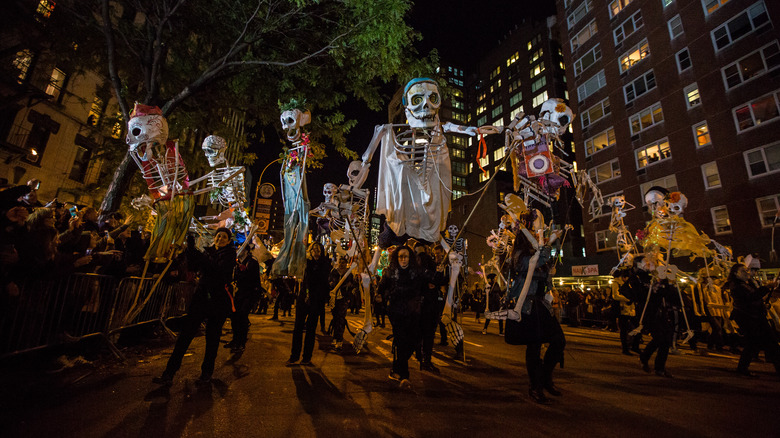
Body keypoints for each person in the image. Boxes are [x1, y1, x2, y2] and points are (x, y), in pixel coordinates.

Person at [153, 228, 236, 386]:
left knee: (212, 338)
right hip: (201, 298)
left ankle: (206, 372)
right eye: (218, 236)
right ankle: (169, 372)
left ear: (228, 240)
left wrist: (199, 255)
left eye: (224, 237)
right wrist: (190, 251)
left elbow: (216, 271)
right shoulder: (207, 252)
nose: (220, 239)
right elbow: (195, 267)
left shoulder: (229, 254)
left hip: (217, 301)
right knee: (185, 335)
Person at [506, 229, 565, 404]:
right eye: (533, 235)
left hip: (541, 304)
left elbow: (543, 273)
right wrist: (549, 241)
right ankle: (536, 386)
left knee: (558, 340)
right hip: (527, 305)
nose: (537, 237)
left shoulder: (536, 254)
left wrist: (549, 276)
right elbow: (538, 260)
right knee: (534, 347)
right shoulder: (519, 255)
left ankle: (546, 377)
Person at [377, 245, 423, 389]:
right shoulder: (391, 272)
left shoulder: (415, 272)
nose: (403, 259)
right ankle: (404, 375)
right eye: (401, 256)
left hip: (412, 311)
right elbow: (382, 286)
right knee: (401, 339)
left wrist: (440, 274)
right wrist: (379, 295)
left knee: (413, 341)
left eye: (406, 256)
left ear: (410, 258)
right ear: (397, 258)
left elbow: (429, 280)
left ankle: (396, 368)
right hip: (396, 311)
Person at [725, 263, 780, 377]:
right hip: (750, 318)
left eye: (747, 270)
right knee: (768, 343)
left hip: (755, 317)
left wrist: (764, 303)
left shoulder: (747, 284)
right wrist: (767, 287)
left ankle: (742, 368)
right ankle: (742, 368)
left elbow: (755, 298)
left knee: (757, 343)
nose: (747, 273)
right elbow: (751, 297)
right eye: (743, 271)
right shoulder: (736, 286)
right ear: (736, 273)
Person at [286, 242, 331, 366]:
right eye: (313, 249)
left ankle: (307, 357)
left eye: (318, 249)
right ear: (310, 251)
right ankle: (294, 356)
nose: (316, 251)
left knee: (311, 330)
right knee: (298, 328)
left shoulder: (325, 264)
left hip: (316, 300)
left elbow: (324, 283)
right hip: (303, 298)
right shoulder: (306, 263)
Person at [225, 245, 263, 354]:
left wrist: (242, 271)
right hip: (239, 293)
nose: (239, 251)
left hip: (249, 294)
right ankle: (235, 340)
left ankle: (241, 343)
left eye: (241, 249)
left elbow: (250, 278)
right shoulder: (237, 263)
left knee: (242, 316)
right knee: (234, 316)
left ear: (246, 251)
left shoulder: (252, 262)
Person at [328, 256, 356, 352]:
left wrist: (350, 286)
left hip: (343, 299)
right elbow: (329, 282)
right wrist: (331, 284)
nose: (342, 264)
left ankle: (339, 341)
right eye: (341, 262)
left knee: (341, 319)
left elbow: (353, 285)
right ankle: (335, 338)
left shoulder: (349, 274)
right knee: (335, 318)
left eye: (344, 262)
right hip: (334, 298)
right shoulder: (334, 272)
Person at [612, 269, 641, 355]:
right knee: (623, 330)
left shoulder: (628, 284)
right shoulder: (616, 283)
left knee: (637, 327)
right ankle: (625, 348)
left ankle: (634, 345)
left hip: (630, 309)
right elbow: (615, 296)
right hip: (622, 310)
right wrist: (627, 299)